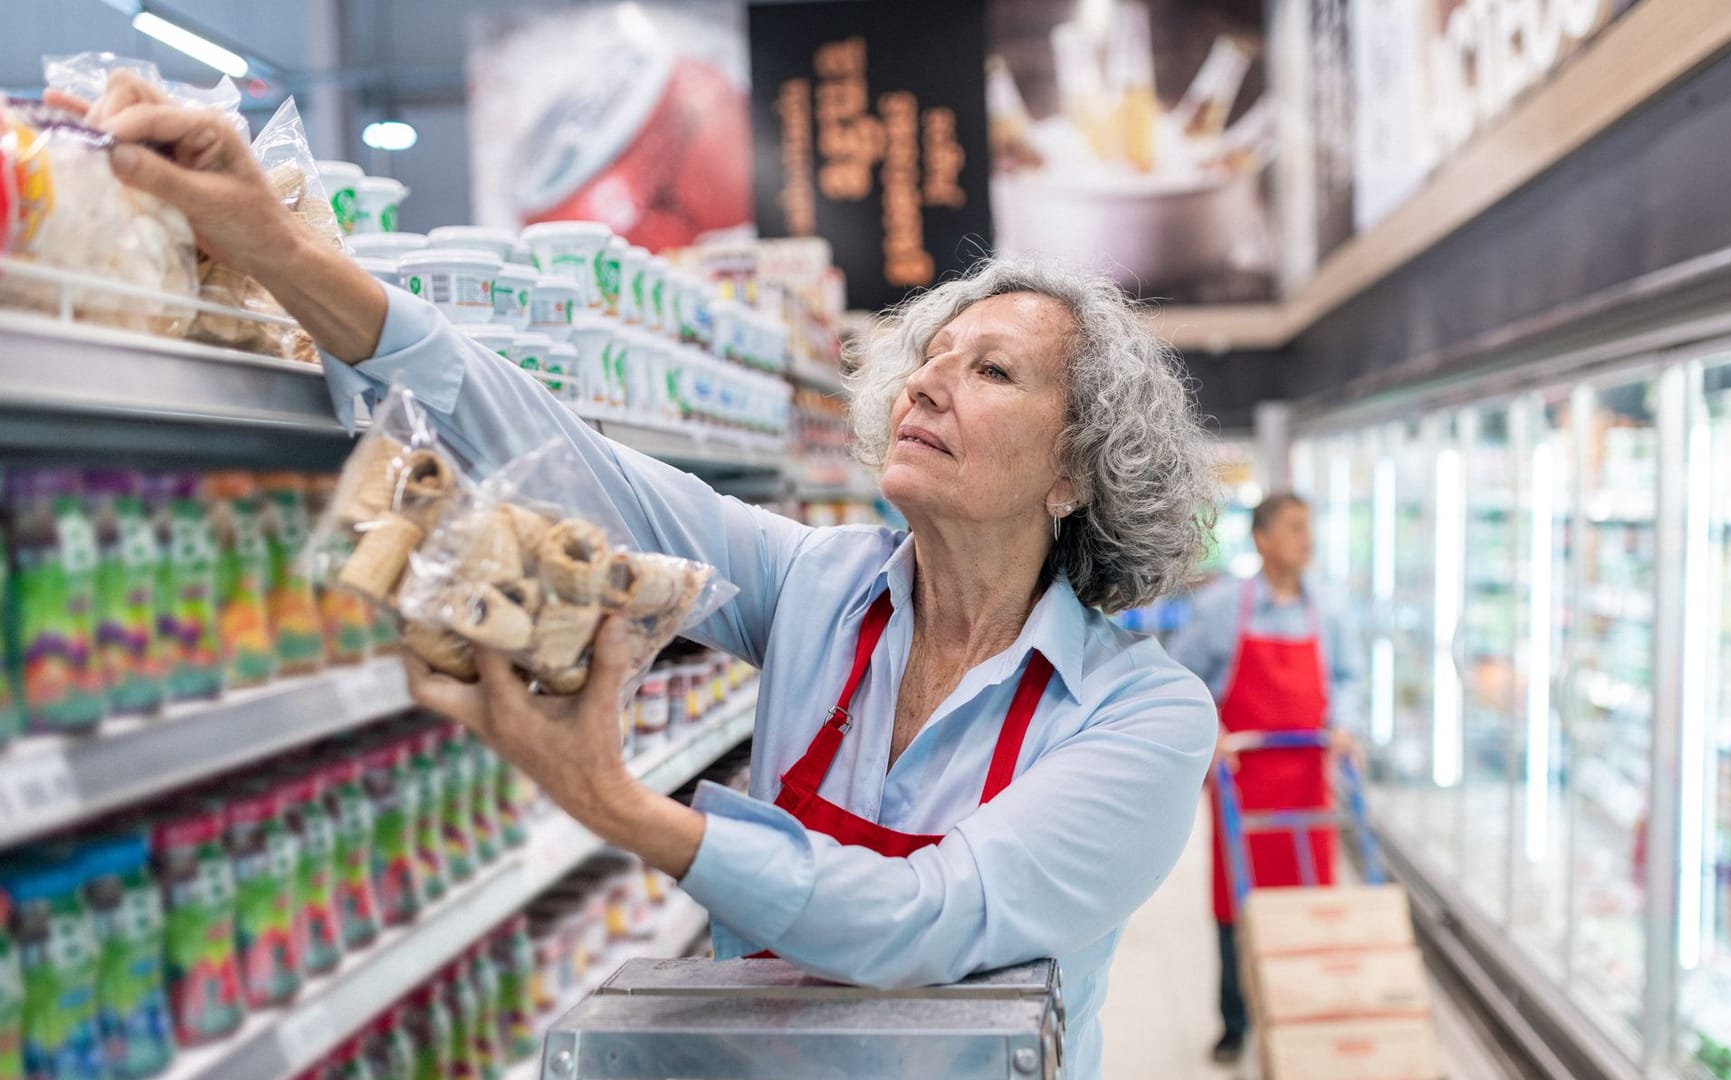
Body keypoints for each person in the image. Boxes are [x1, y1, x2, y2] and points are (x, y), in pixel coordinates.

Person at [80, 74, 1225, 1077]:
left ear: (1080, 467)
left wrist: (625, 810)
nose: (926, 385)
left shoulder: (1143, 716)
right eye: (926, 357)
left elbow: (931, 920)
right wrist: (284, 254)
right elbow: (567, 462)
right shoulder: (818, 589)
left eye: (992, 371)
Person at [1167, 492, 1362, 1063]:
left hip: (1306, 780)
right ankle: (1235, 1020)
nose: (1309, 539)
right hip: (1244, 783)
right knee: (1236, 903)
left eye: (1310, 527)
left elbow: (1347, 677)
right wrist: (1213, 732)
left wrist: (1344, 726)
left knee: (1306, 895)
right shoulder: (1227, 608)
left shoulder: (1328, 609)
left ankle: (1301, 1007)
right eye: (1296, 528)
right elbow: (1180, 676)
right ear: (1263, 539)